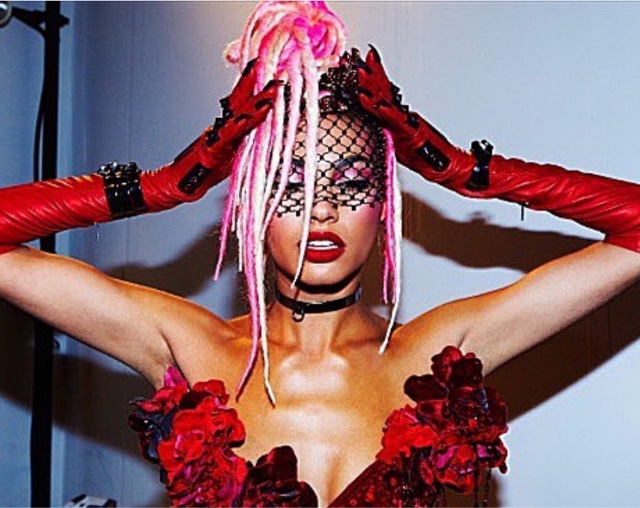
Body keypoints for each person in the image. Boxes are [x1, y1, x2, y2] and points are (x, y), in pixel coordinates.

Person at [2, 1, 640, 506]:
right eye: (290, 186)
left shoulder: (437, 353)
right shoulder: (186, 346)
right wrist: (167, 184)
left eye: (351, 183)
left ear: (384, 205)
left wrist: (460, 168)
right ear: (250, 205)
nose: (322, 209)